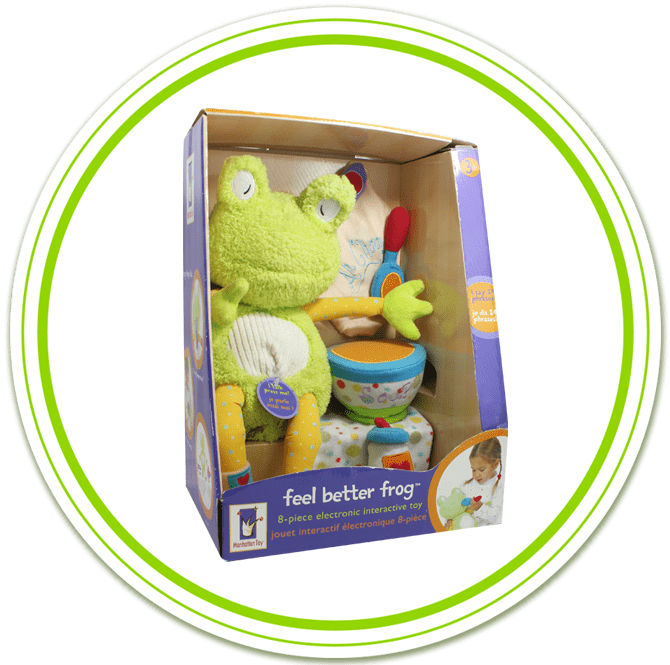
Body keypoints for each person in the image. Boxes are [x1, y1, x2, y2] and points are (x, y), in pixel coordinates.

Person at [448, 438, 504, 529]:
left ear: (495, 464)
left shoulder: (499, 489)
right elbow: (455, 506)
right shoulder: (466, 485)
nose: (476, 475)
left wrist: (479, 508)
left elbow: (495, 517)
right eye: (473, 470)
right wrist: (450, 520)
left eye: (481, 470)